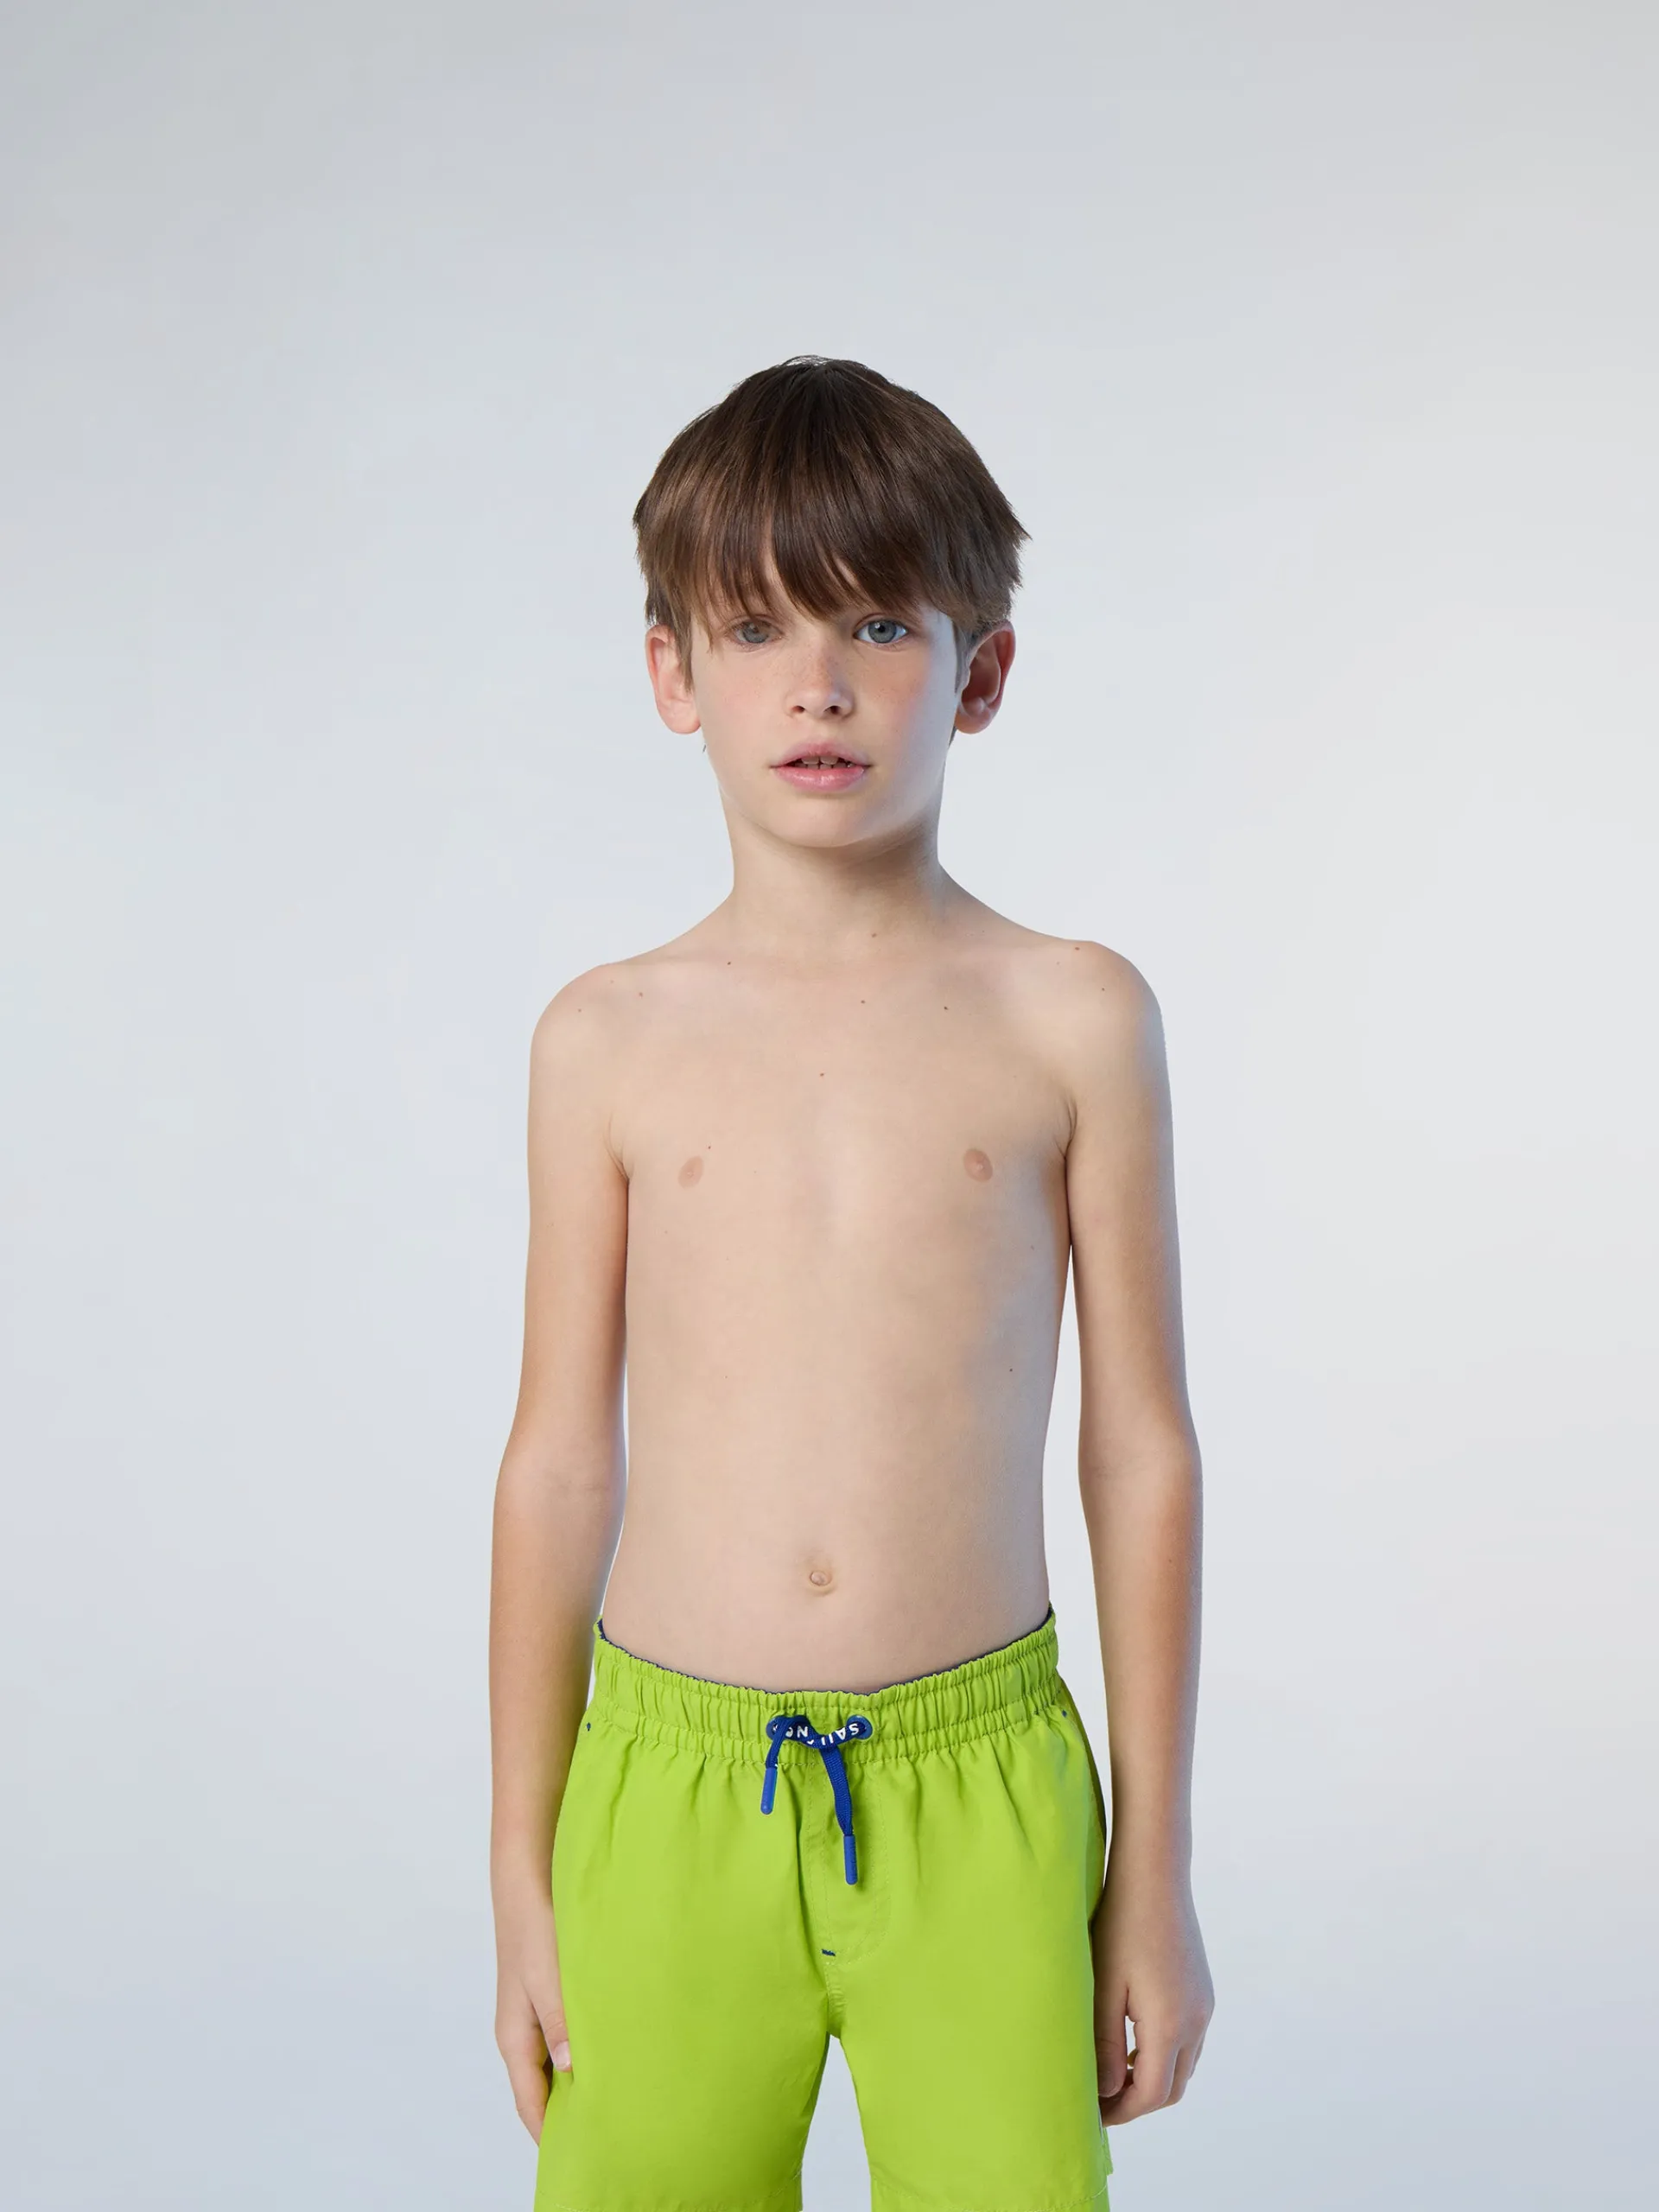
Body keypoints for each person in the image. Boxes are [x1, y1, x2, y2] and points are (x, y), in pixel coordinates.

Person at [489, 356, 1213, 2212]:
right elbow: (559, 1461)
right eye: (758, 628)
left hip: (983, 1792)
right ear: (673, 673)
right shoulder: (607, 1040)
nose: (819, 683)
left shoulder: (1073, 1017)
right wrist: (520, 1864)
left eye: (881, 623)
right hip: (664, 1795)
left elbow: (1140, 1449)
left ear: (981, 671)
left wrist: (1152, 1871)